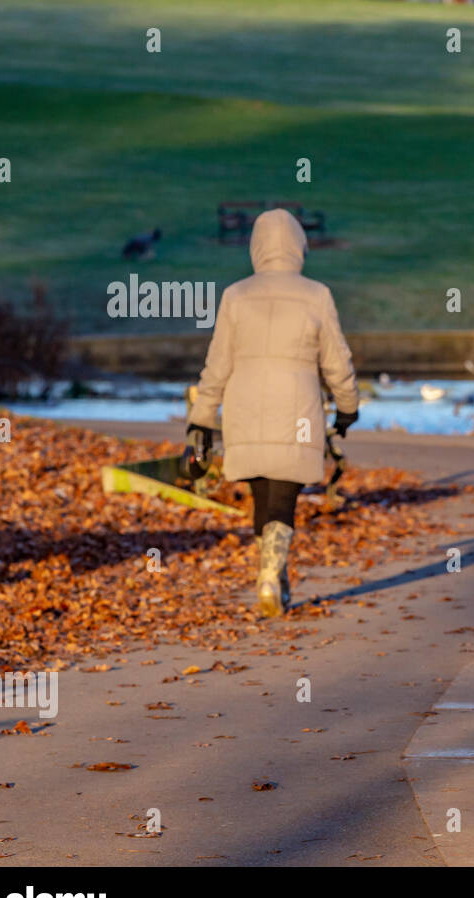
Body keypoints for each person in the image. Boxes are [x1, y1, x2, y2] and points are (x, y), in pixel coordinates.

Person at [184, 208, 359, 617]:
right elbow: (337, 359)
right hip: (296, 406)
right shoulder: (316, 294)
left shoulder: (236, 295)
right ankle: (271, 572)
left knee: (261, 493)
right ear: (299, 246)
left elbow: (218, 362)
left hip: (245, 405)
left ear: (256, 247)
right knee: (285, 492)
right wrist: (347, 406)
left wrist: (202, 417)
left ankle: (271, 577)